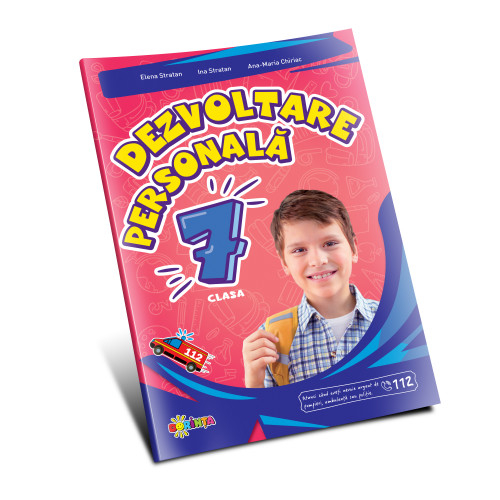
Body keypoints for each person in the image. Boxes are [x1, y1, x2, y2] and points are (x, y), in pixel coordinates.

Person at [242, 190, 379, 388]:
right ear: (284, 263)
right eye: (299, 250)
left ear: (354, 248)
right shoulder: (271, 337)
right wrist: (254, 378)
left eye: (330, 243)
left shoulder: (393, 321)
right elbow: (268, 407)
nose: (317, 260)